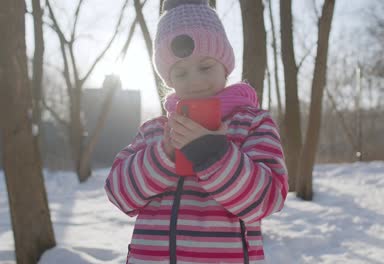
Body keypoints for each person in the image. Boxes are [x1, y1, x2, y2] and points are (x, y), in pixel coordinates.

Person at [104, 0, 288, 263]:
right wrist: (163, 154)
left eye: (205, 67)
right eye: (180, 73)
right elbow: (119, 193)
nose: (195, 81)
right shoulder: (155, 131)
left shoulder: (252, 123)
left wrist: (214, 153)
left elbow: (268, 198)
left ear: (225, 65)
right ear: (169, 80)